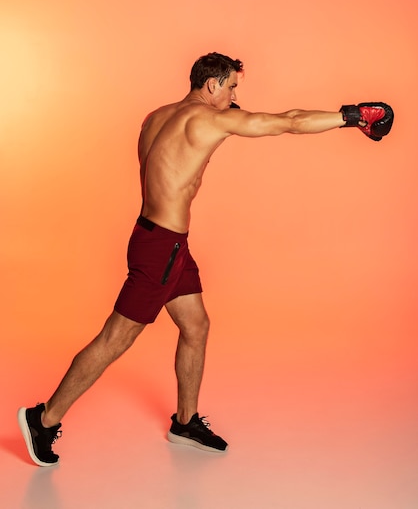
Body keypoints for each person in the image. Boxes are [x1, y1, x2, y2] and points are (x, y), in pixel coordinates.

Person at [18, 52, 394, 466]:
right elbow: (288, 120)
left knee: (196, 326)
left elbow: (169, 165)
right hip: (161, 247)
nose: (235, 96)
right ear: (212, 85)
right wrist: (352, 115)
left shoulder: (157, 115)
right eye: (232, 87)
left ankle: (185, 422)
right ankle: (44, 419)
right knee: (115, 339)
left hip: (160, 239)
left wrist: (225, 117)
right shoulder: (207, 120)